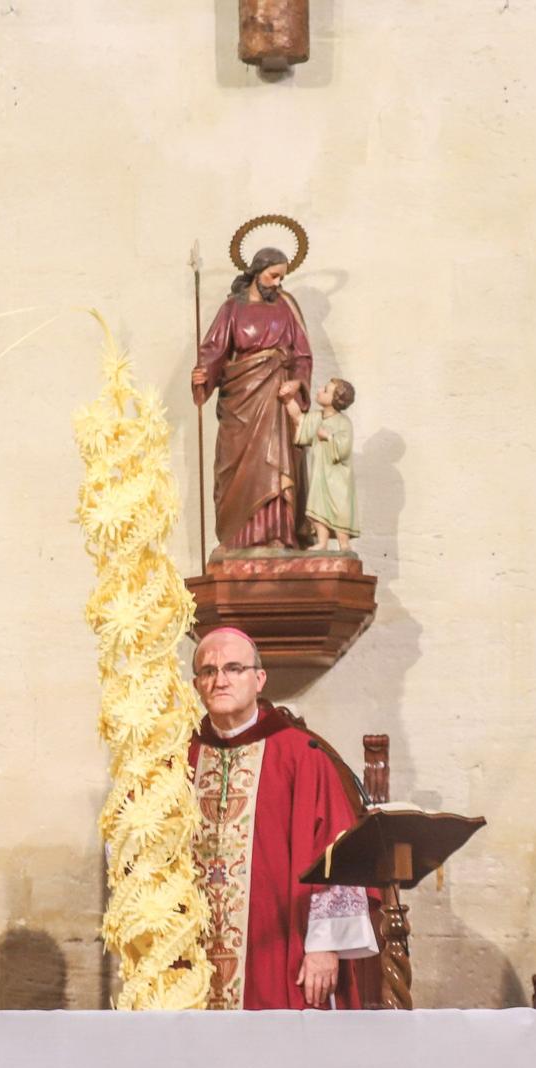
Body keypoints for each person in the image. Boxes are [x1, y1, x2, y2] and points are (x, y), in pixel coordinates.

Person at [188, 627, 376, 1009]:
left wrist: (325, 946)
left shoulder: (300, 754)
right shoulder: (177, 757)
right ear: (196, 684)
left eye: (234, 668)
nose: (220, 680)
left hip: (279, 955)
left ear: (259, 679)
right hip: (189, 960)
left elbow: (337, 851)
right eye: (208, 671)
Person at [191, 248, 314, 551]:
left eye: (282, 278)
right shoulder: (232, 309)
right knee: (236, 465)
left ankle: (278, 534)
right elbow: (214, 350)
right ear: (257, 272)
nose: (277, 283)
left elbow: (302, 354)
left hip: (276, 394)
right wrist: (202, 375)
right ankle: (238, 538)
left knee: (276, 463)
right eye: (273, 276)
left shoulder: (287, 306)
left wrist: (297, 382)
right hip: (241, 398)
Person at [285, 376, 358, 551]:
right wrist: (288, 400)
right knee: (318, 506)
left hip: (338, 477)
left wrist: (329, 437)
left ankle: (344, 543)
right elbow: (299, 420)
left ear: (336, 399)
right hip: (320, 474)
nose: (319, 391)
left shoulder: (343, 422)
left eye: (325, 390)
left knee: (340, 507)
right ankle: (322, 542)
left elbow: (344, 449)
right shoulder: (318, 418)